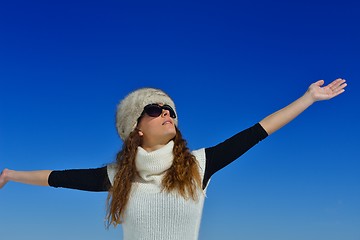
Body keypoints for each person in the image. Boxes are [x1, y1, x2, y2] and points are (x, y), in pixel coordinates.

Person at [0, 79, 347, 240]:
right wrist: (10, 174)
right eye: (155, 109)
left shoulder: (198, 165)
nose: (166, 112)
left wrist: (308, 99)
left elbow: (256, 132)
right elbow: (56, 177)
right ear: (135, 128)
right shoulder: (118, 175)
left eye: (170, 110)